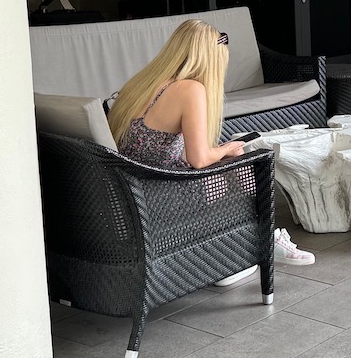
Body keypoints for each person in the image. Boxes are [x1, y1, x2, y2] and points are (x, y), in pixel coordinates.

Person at [107, 18, 314, 270]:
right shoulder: (189, 89)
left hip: (133, 189)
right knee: (242, 165)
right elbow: (199, 160)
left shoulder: (143, 83)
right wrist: (229, 148)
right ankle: (262, 241)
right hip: (162, 196)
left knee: (229, 160)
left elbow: (153, 146)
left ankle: (241, 244)